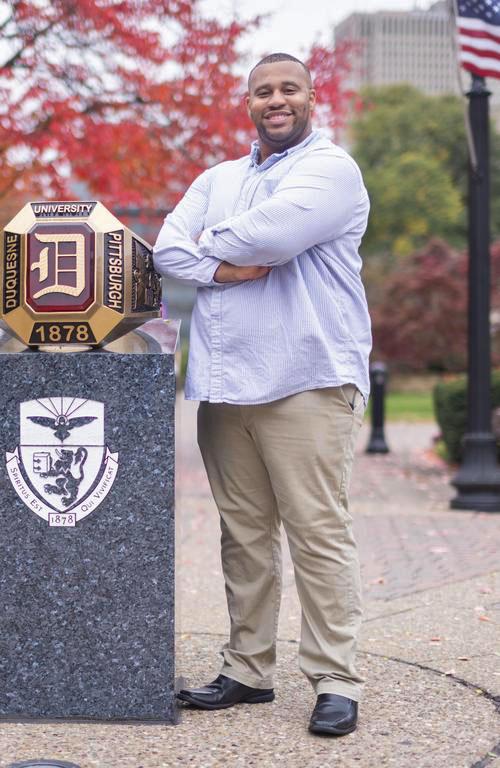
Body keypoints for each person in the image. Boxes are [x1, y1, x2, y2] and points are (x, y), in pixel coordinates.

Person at [153, 52, 371, 736]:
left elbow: (273, 236)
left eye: (289, 89)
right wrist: (227, 263)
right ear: (248, 103)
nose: (276, 100)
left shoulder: (330, 169)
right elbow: (164, 250)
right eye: (263, 91)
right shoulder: (216, 178)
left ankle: (336, 679)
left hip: (305, 376)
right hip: (225, 384)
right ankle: (248, 670)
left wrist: (208, 254)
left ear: (312, 99)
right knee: (243, 536)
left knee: (317, 532)